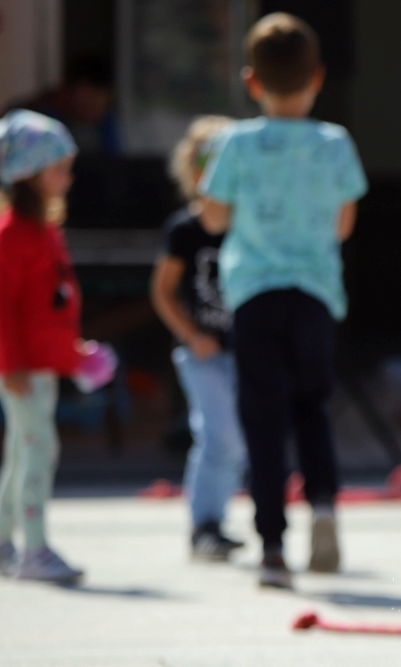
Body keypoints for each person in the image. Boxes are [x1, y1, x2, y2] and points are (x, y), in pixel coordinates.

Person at [199, 14, 367, 590]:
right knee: (312, 406)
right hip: (316, 293)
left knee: (262, 418)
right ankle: (323, 507)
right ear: (317, 77)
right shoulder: (335, 142)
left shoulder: (235, 143)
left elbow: (214, 216)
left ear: (252, 81)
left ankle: (272, 545)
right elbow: (345, 224)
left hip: (254, 295)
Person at [0, 110, 86, 583]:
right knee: (39, 451)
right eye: (59, 167)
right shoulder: (11, 235)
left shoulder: (44, 229)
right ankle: (34, 549)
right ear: (29, 175)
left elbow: (51, 303)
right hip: (19, 367)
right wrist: (15, 363)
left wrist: (76, 354)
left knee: (23, 453)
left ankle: (0, 543)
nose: (68, 176)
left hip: (40, 363)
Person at [151, 116, 247, 562]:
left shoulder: (249, 226)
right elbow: (163, 292)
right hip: (203, 354)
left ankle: (218, 519)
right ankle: (203, 523)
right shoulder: (184, 230)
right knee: (216, 435)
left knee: (239, 441)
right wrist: (192, 335)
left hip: (246, 349)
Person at [25, 54, 120, 156]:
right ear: (68, 91)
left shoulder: (106, 124)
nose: (92, 102)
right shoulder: (41, 122)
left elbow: (116, 161)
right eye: (88, 95)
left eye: (98, 96)